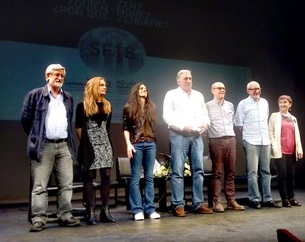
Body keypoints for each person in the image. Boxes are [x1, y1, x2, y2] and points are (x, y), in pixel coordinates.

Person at [20, 63, 80, 232]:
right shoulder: (35, 95)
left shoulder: (67, 97)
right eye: (56, 75)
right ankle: (39, 218)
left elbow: (69, 121)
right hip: (43, 145)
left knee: (66, 184)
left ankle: (65, 215)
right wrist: (35, 137)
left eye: (62, 75)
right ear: (47, 76)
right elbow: (26, 120)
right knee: (40, 185)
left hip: (63, 145)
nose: (59, 78)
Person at [163, 69, 213, 217]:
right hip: (179, 135)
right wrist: (181, 127)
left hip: (197, 136)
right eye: (185, 79)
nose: (188, 81)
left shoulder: (198, 95)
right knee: (178, 171)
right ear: (178, 81)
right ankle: (178, 205)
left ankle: (198, 204)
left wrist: (206, 124)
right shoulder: (171, 94)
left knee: (198, 170)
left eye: (190, 78)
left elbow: (205, 114)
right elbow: (167, 116)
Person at [75, 77, 116, 225]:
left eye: (105, 85)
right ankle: (90, 211)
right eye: (101, 85)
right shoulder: (82, 106)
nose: (104, 87)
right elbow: (78, 127)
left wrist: (104, 144)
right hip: (89, 144)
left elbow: (107, 127)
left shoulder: (108, 105)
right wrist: (87, 144)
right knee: (89, 177)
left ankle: (105, 210)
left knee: (106, 175)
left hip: (104, 143)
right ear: (93, 87)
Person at [234, 80, 281, 209]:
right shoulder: (243, 103)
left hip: (265, 140)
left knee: (266, 171)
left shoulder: (264, 102)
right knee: (253, 172)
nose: (256, 91)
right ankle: (254, 199)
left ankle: (267, 198)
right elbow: (239, 123)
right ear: (247, 91)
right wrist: (247, 136)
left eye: (258, 88)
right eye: (253, 89)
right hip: (251, 140)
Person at [122, 82, 161, 220]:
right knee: (136, 177)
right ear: (136, 91)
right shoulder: (128, 108)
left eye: (146, 88)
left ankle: (149, 209)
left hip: (150, 144)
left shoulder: (152, 108)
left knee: (149, 177)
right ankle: (137, 209)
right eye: (141, 88)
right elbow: (126, 128)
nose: (144, 89)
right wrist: (128, 144)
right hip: (136, 144)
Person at [206, 82, 245, 212]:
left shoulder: (230, 105)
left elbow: (231, 121)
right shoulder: (207, 106)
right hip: (216, 140)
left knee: (231, 172)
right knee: (217, 172)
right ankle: (217, 201)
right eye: (219, 88)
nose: (222, 90)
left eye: (223, 88)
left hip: (231, 139)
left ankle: (231, 200)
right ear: (212, 90)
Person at [268, 95, 303, 207]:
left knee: (291, 175)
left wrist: (299, 149)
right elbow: (270, 132)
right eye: (280, 102)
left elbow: (297, 135)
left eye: (285, 102)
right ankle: (284, 199)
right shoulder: (274, 116)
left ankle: (292, 197)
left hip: (291, 151)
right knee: (282, 175)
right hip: (280, 150)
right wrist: (273, 146)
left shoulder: (293, 118)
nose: (282, 104)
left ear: (290, 104)